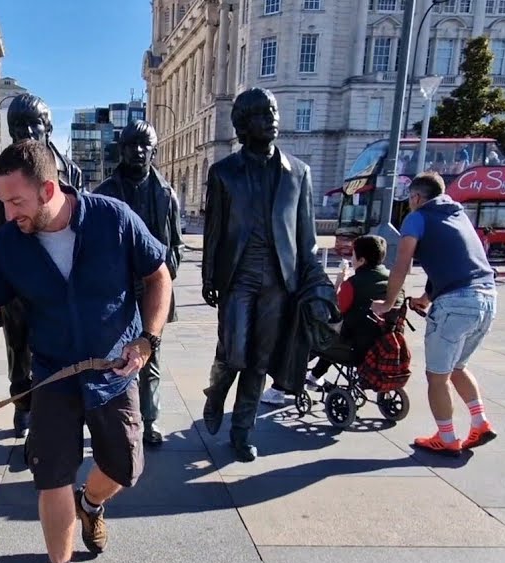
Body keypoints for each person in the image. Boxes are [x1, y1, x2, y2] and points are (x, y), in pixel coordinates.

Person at [0, 140, 172, 563]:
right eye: (2, 202)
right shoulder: (8, 244)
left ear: (48, 190)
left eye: (16, 201)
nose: (8, 214)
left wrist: (148, 339)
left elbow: (158, 276)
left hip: (113, 373)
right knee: (51, 477)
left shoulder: (113, 219)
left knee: (125, 467)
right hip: (52, 377)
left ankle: (92, 503)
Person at [201, 87, 322, 462]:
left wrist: (314, 284)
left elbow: (306, 238)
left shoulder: (298, 173)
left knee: (259, 360)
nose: (272, 119)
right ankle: (216, 392)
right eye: (262, 114)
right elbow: (214, 231)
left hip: (279, 282)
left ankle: (242, 432)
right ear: (243, 124)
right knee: (234, 353)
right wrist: (208, 277)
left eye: (274, 112)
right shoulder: (223, 172)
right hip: (238, 277)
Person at [0, 93, 85, 438]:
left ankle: (58, 408)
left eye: (32, 125)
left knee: (60, 347)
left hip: (57, 280)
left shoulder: (70, 171)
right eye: (17, 126)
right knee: (18, 348)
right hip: (15, 283)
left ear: (47, 127)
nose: (25, 132)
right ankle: (22, 405)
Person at [372, 172, 497, 455]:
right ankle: (480, 423)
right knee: (457, 367)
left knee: (437, 376)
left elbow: (402, 263)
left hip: (456, 304)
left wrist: (388, 303)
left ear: (416, 197)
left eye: (410, 199)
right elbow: (456, 262)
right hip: (487, 299)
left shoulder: (418, 217)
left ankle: (447, 437)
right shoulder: (458, 214)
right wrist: (426, 298)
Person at [92, 119, 184, 445]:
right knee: (114, 356)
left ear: (154, 151)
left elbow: (176, 244)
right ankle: (115, 420)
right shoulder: (104, 194)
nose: (139, 151)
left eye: (145, 145)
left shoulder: (166, 194)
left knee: (151, 356)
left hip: (152, 290)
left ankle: (150, 419)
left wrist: (164, 273)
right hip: (117, 291)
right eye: (132, 144)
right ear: (122, 150)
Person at [306, 234, 402, 387]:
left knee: (317, 336)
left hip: (355, 347)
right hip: (384, 344)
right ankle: (314, 376)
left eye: (353, 255)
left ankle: (291, 381)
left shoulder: (353, 284)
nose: (351, 259)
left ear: (361, 260)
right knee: (341, 335)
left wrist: (339, 284)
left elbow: (335, 311)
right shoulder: (394, 283)